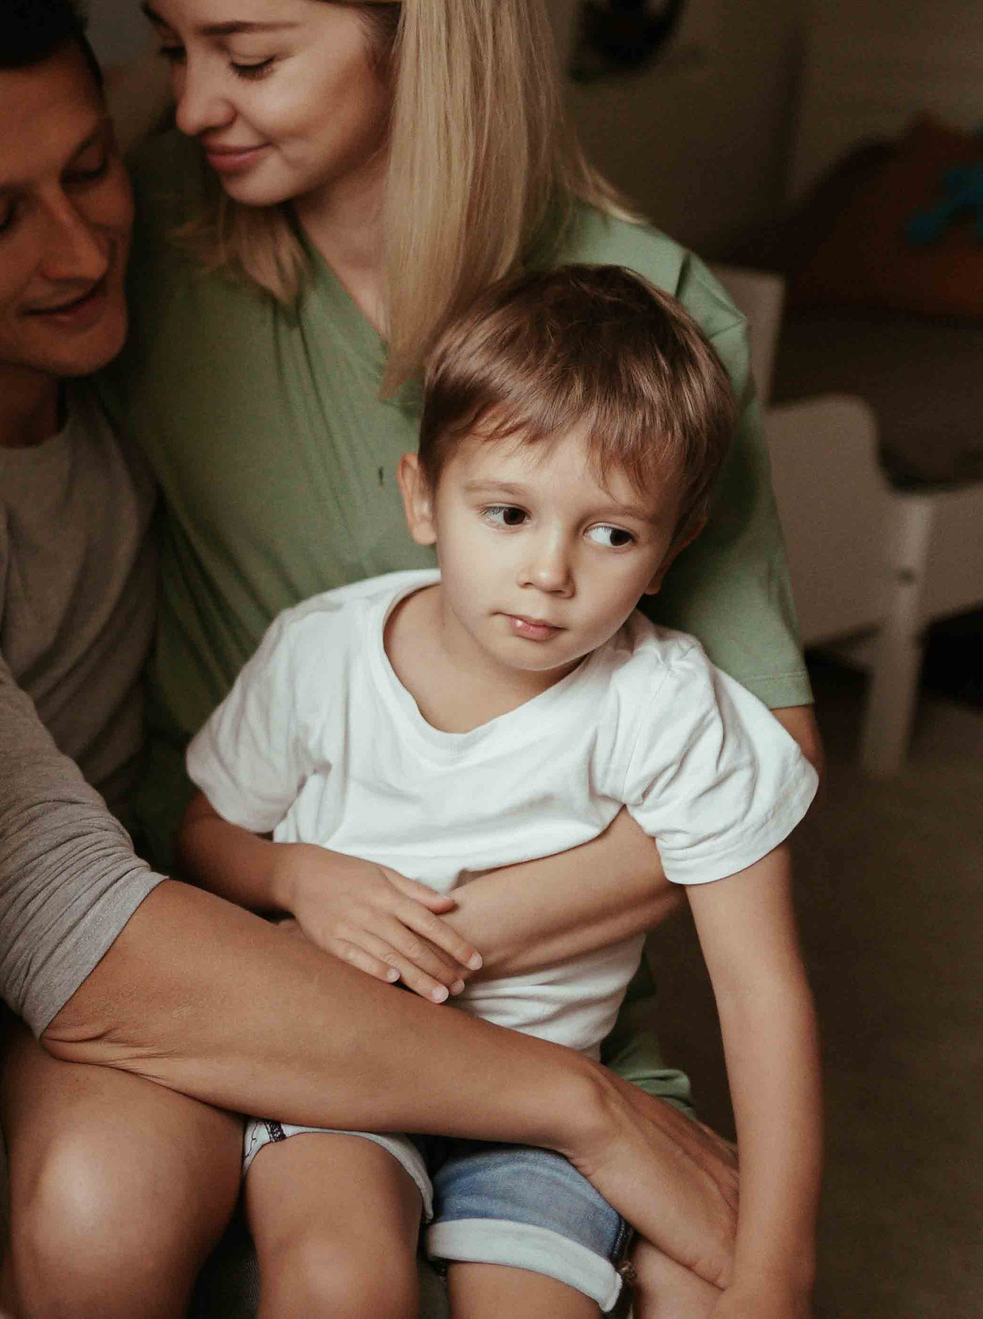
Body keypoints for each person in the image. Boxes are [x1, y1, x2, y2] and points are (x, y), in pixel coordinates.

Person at [0, 0, 739, 1319]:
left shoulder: (146, 341)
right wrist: (585, 1109)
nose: (77, 250)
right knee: (97, 1215)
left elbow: (297, 39)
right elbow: (54, 910)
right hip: (34, 953)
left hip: (200, 898)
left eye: (88, 174)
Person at [183, 265, 823, 1318]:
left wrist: (772, 1273)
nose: (549, 572)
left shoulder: (665, 707)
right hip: (342, 1062)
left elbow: (761, 992)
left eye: (611, 532)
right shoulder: (321, 655)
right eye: (509, 512)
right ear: (421, 497)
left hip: (536, 1100)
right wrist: (296, 873)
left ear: (669, 551)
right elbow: (202, 831)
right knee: (339, 1283)